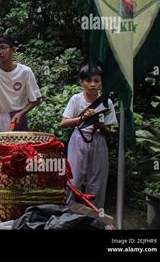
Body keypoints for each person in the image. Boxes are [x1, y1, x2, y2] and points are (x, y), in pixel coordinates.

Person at [60, 64, 117, 209]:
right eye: (88, 81)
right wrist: (82, 119)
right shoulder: (76, 99)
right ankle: (68, 211)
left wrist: (98, 124)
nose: (92, 84)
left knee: (97, 179)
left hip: (98, 140)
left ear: (101, 82)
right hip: (79, 139)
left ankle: (95, 214)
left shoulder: (107, 102)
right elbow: (64, 123)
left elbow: (109, 131)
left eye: (96, 81)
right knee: (74, 177)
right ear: (81, 82)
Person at [0, 23, 41, 133]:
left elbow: (36, 99)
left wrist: (21, 113)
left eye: (3, 48)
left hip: (16, 119)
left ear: (13, 50)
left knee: (17, 150)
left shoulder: (25, 72)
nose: (0, 52)